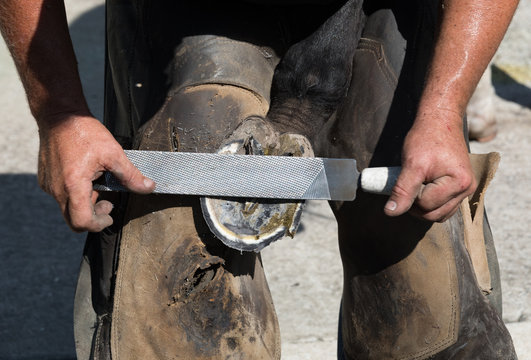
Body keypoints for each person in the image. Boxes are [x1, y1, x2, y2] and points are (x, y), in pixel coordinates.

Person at [0, 0, 519, 359]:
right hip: (191, 12)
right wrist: (61, 113)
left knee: (427, 309)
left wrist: (444, 106)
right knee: (178, 296)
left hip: (385, 8)